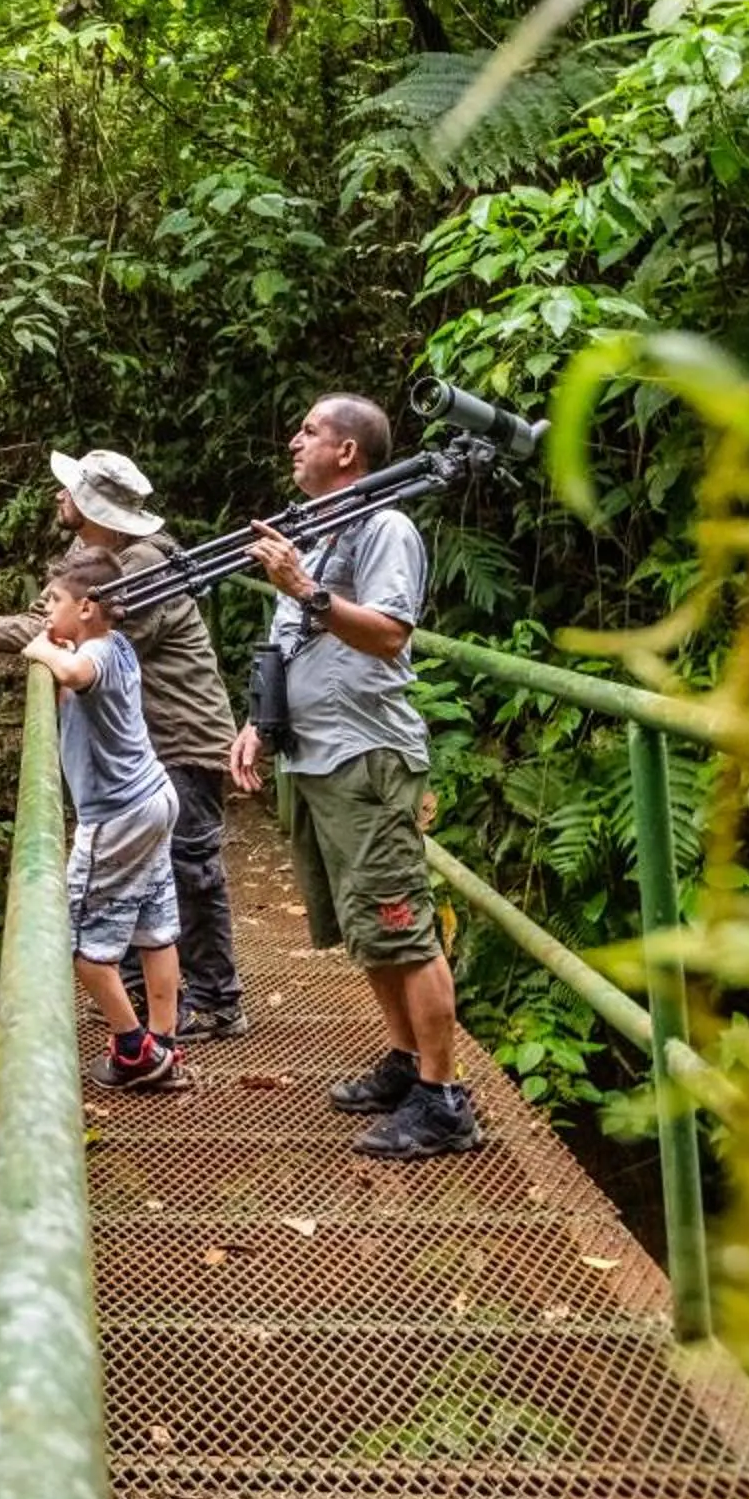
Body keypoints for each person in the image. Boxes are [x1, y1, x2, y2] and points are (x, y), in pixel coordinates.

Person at [229, 393, 481, 1159]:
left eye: (308, 430)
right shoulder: (312, 530)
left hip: (367, 756)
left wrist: (306, 587)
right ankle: (408, 1063)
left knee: (401, 926)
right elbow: (293, 644)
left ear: (347, 452)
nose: (292, 439)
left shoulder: (386, 527)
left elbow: (391, 636)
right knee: (367, 929)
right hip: (313, 756)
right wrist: (259, 724)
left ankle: (446, 1101)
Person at [0, 450, 248, 1040]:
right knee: (157, 872)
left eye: (68, 491)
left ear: (91, 506)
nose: (58, 497)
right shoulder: (104, 561)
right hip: (146, 746)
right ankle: (146, 996)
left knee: (189, 870)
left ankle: (215, 1001)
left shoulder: (141, 572)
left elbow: (69, 633)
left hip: (180, 738)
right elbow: (55, 615)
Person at [21, 548, 187, 1090]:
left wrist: (42, 648)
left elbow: (71, 670)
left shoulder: (95, 654)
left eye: (54, 602)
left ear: (88, 607)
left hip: (118, 815)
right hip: (153, 798)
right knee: (152, 928)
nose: (46, 613)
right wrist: (57, 641)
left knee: (75, 940)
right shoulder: (118, 645)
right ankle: (163, 1041)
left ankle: (135, 1048)